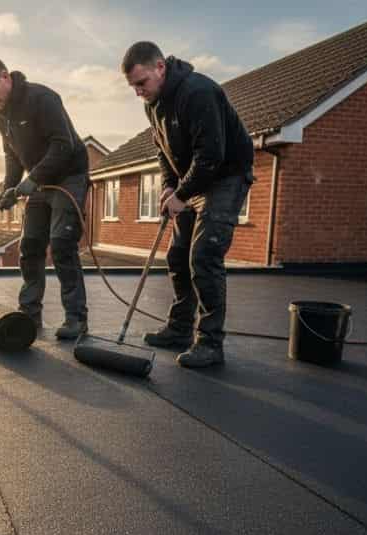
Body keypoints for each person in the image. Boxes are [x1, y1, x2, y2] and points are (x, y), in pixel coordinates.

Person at [121, 41, 254, 368]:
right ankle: (179, 328)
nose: (138, 92)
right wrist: (169, 187)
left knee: (204, 255)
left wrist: (182, 193)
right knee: (178, 255)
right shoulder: (152, 104)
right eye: (133, 87)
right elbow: (162, 152)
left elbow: (211, 156)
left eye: (142, 83)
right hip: (190, 179)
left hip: (225, 176)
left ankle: (210, 343)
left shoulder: (198, 92)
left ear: (160, 67)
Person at [0, 55, 89, 340]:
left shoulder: (42, 98)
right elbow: (13, 157)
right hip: (39, 183)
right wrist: (7, 190)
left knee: (61, 243)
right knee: (31, 245)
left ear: (5, 77)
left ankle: (76, 319)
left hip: (69, 176)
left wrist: (32, 180)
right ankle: (29, 314)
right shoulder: (1, 115)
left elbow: (64, 145)